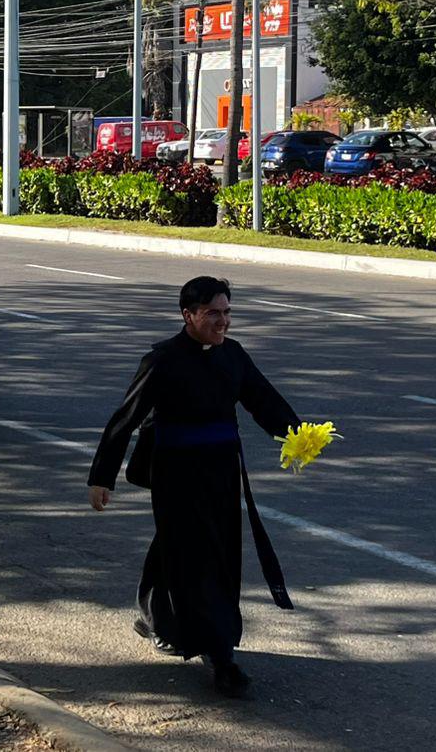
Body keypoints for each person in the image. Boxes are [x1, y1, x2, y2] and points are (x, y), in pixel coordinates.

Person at [86, 276, 304, 699]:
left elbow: (264, 400)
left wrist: (298, 435)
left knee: (209, 553)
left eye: (227, 313)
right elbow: (125, 417)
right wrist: (101, 477)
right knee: (194, 556)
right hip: (176, 475)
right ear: (189, 316)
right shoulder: (163, 360)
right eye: (212, 314)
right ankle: (221, 656)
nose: (222, 322)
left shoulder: (233, 355)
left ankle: (156, 616)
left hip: (222, 473)